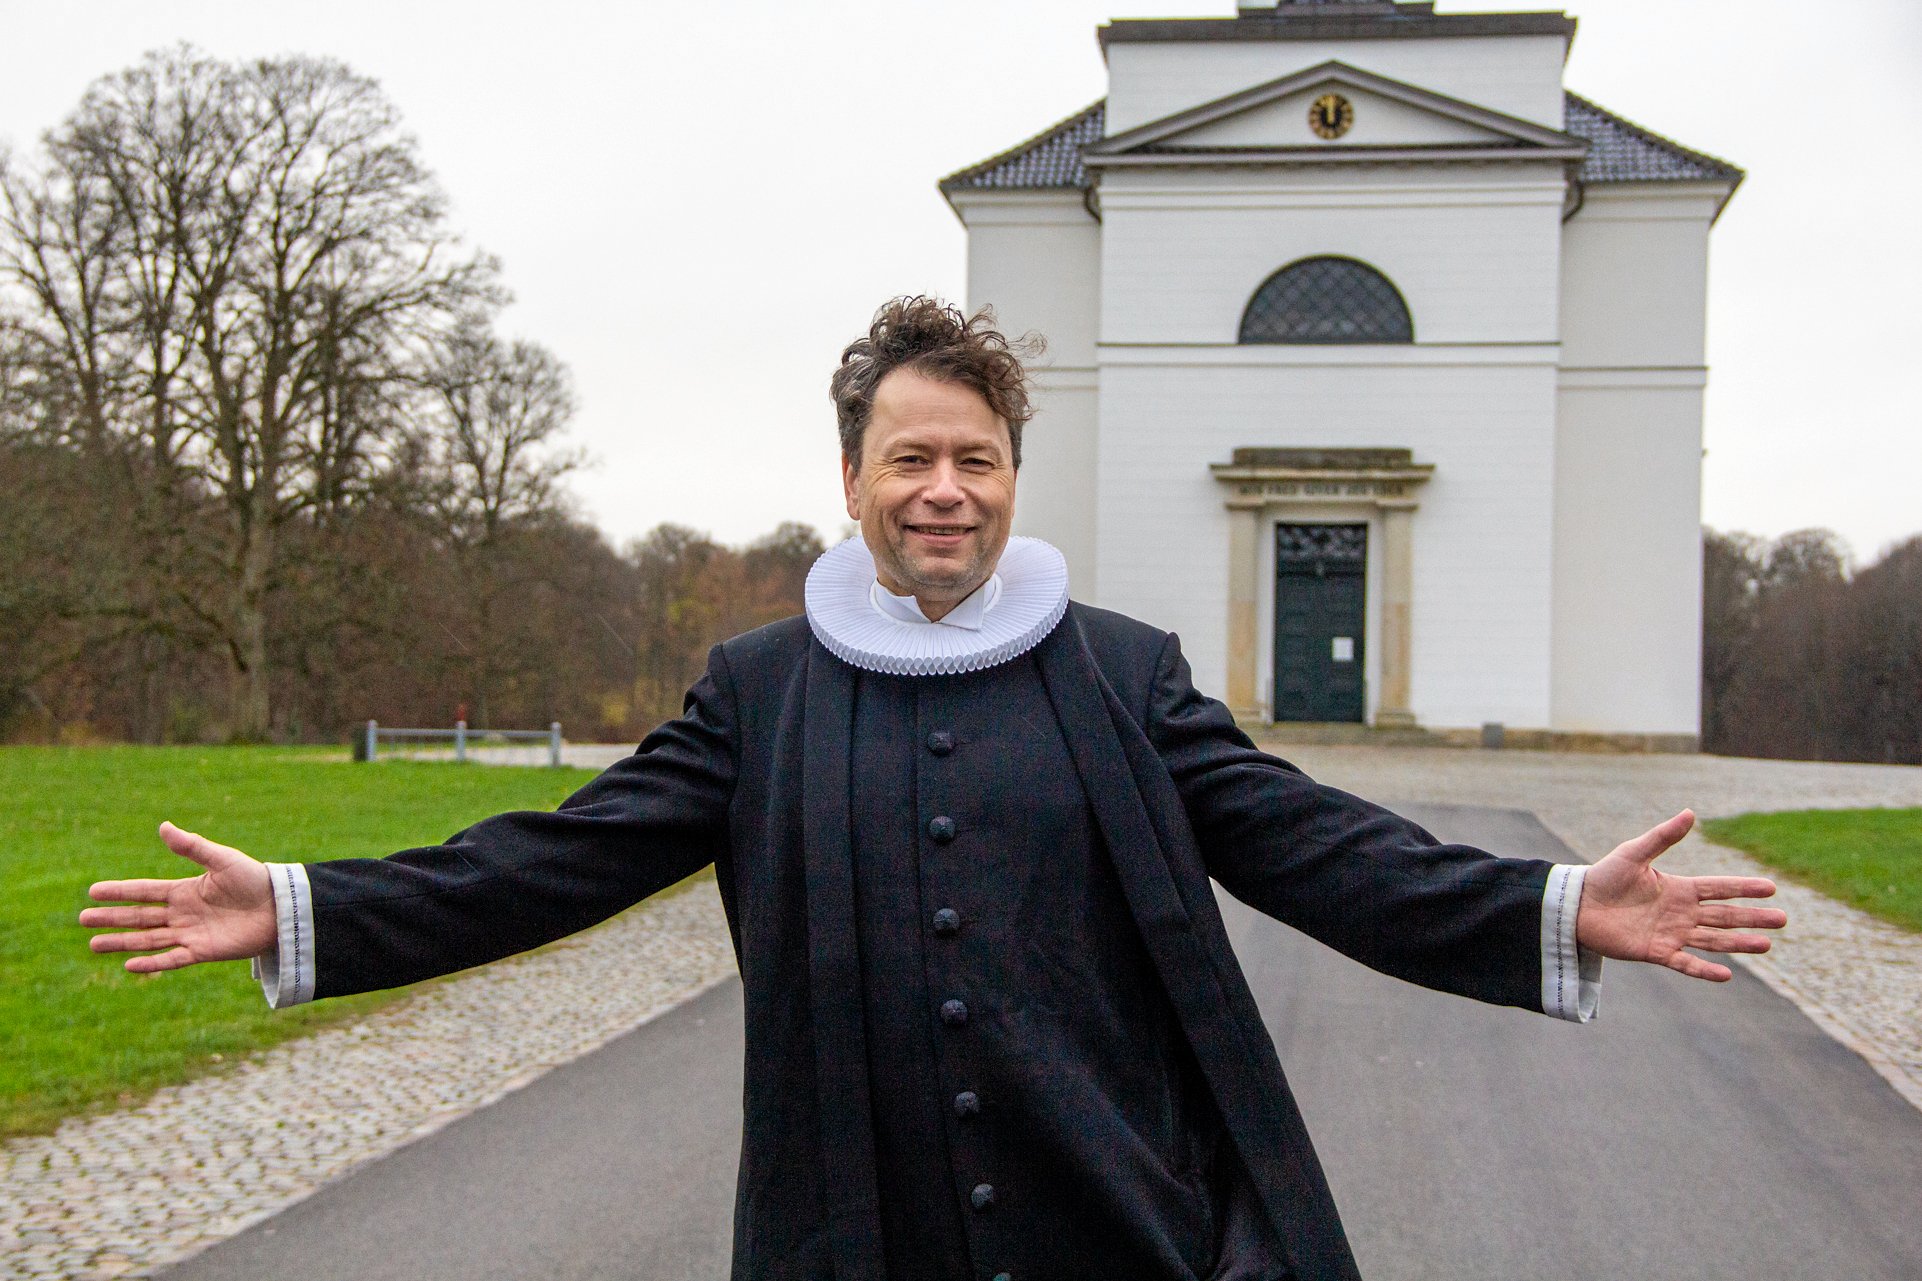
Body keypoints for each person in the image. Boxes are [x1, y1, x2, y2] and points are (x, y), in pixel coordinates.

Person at [82, 296, 1786, 1281]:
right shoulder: (760, 691)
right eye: (911, 456)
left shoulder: (1121, 673)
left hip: (1119, 1217)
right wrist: (305, 907)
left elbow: (1314, 848)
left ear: (1012, 475)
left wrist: (1552, 902)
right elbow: (556, 857)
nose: (945, 489)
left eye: (975, 457)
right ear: (852, 477)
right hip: (854, 1233)